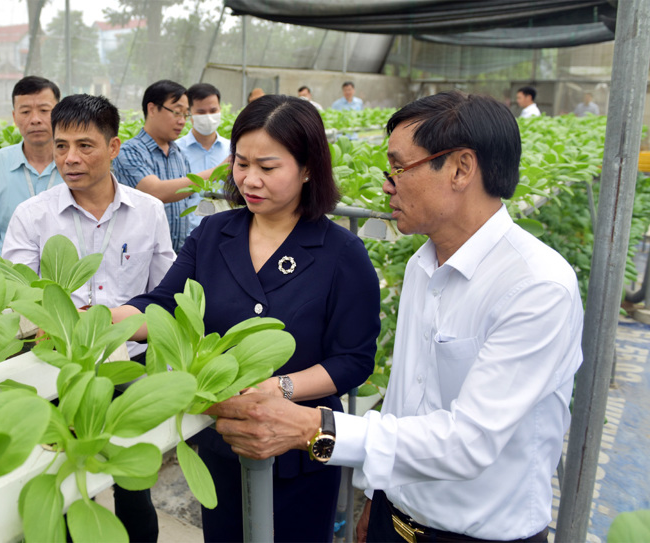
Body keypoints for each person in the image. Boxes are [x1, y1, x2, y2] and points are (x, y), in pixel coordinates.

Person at [207, 91, 584, 543]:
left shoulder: (536, 286)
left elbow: (469, 442)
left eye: (399, 168)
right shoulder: (423, 265)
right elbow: (408, 404)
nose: (387, 184)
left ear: (462, 169)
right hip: (396, 521)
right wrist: (377, 499)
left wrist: (313, 427)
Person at [112, 94, 381, 542]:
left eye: (268, 167)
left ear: (308, 167)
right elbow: (165, 305)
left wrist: (278, 388)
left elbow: (353, 359)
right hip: (224, 438)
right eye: (241, 163)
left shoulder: (341, 253)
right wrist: (105, 320)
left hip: (297, 449)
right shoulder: (216, 232)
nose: (250, 180)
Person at [4, 94, 175, 543]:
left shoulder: (148, 211)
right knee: (60, 482)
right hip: (54, 372)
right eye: (61, 147)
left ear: (114, 147)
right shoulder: (33, 215)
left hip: (128, 368)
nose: (70, 158)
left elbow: (164, 295)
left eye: (85, 145)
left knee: (132, 485)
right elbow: (19, 298)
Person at [112, 80, 216, 252]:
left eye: (185, 114)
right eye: (176, 112)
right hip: (139, 257)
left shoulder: (179, 155)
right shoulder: (129, 152)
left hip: (176, 258)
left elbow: (189, 207)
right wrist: (219, 171)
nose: (182, 121)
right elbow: (155, 191)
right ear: (152, 109)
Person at [0, 76, 61, 256]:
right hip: (10, 280)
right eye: (25, 112)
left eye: (44, 110)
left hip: (66, 280)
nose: (35, 119)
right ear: (14, 117)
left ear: (59, 114)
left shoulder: (76, 164)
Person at [177, 83, 230, 235]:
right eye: (201, 112)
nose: (208, 116)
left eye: (213, 110)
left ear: (220, 109)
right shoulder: (176, 151)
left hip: (226, 234)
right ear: (189, 113)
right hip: (188, 236)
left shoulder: (233, 150)